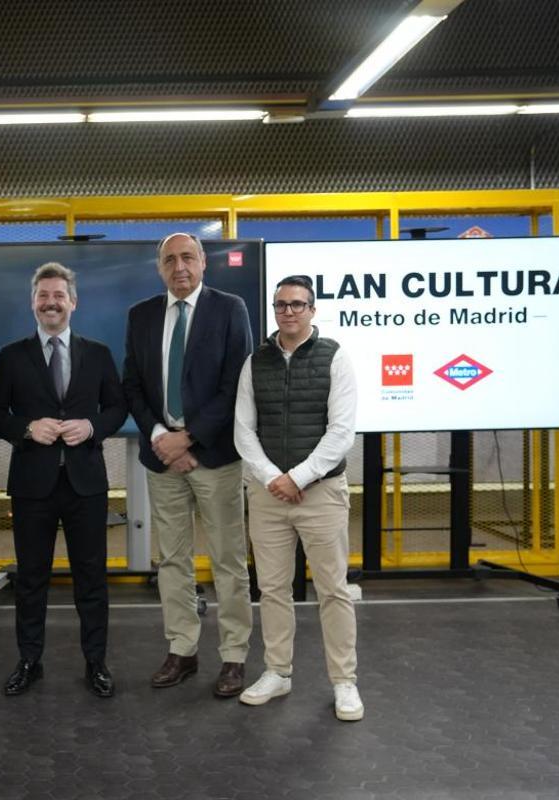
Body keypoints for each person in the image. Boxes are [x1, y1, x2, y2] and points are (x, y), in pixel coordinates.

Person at [0, 262, 127, 698]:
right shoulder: (10, 356)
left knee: (92, 578)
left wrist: (93, 427)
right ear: (33, 303)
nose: (51, 303)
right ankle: (29, 661)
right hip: (33, 485)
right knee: (31, 578)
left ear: (73, 302)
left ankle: (96, 663)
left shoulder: (98, 353)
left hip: (86, 483)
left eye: (58, 296)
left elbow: (118, 408)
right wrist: (27, 428)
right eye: (43, 296)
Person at [123, 232, 255, 698]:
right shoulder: (141, 315)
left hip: (214, 455)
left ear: (203, 263)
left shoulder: (229, 308)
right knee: (172, 560)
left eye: (187, 258)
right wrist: (162, 438)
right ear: (159, 268)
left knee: (227, 559)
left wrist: (190, 436)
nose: (179, 267)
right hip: (164, 462)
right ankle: (182, 648)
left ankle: (235, 656)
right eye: (169, 260)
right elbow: (133, 386)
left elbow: (237, 382)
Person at [232, 274, 362, 721]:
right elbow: (243, 431)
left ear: (312, 309)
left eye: (297, 304)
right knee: (271, 589)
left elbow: (342, 432)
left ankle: (344, 682)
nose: (288, 312)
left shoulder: (335, 357)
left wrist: (299, 477)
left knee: (333, 590)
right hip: (269, 495)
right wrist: (273, 478)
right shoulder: (255, 362)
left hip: (322, 493)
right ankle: (277, 672)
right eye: (281, 305)